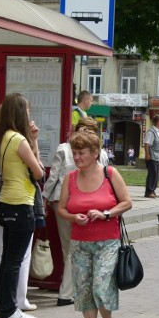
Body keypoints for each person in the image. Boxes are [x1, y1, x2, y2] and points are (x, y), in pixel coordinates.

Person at [57, 128, 132, 318]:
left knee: (100, 286)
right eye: (74, 153)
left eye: (81, 153)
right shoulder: (70, 179)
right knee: (83, 290)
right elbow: (61, 208)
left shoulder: (110, 174)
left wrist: (106, 214)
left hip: (108, 241)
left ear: (95, 152)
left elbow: (127, 203)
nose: (77, 157)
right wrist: (73, 217)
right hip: (80, 242)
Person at [0, 93, 44, 318]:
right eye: (27, 111)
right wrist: (34, 142)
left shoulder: (4, 138)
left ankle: (5, 307)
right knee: (14, 260)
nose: (29, 115)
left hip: (7, 202)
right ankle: (10, 310)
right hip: (22, 203)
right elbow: (39, 172)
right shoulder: (19, 140)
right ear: (21, 113)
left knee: (7, 259)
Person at [42, 117, 108, 306]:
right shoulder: (99, 153)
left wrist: (44, 198)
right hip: (85, 201)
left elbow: (53, 176)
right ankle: (68, 291)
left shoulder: (64, 148)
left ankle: (70, 288)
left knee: (69, 248)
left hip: (61, 201)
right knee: (76, 247)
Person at [0, 106, 36, 312]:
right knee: (21, 254)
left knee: (0, 254)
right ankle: (19, 298)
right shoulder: (16, 140)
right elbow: (35, 169)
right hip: (16, 199)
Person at [144, 114, 159, 198]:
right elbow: (147, 143)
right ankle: (149, 192)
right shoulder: (151, 132)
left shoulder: (158, 131)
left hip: (157, 157)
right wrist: (147, 153)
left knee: (156, 175)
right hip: (152, 157)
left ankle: (152, 190)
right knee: (152, 174)